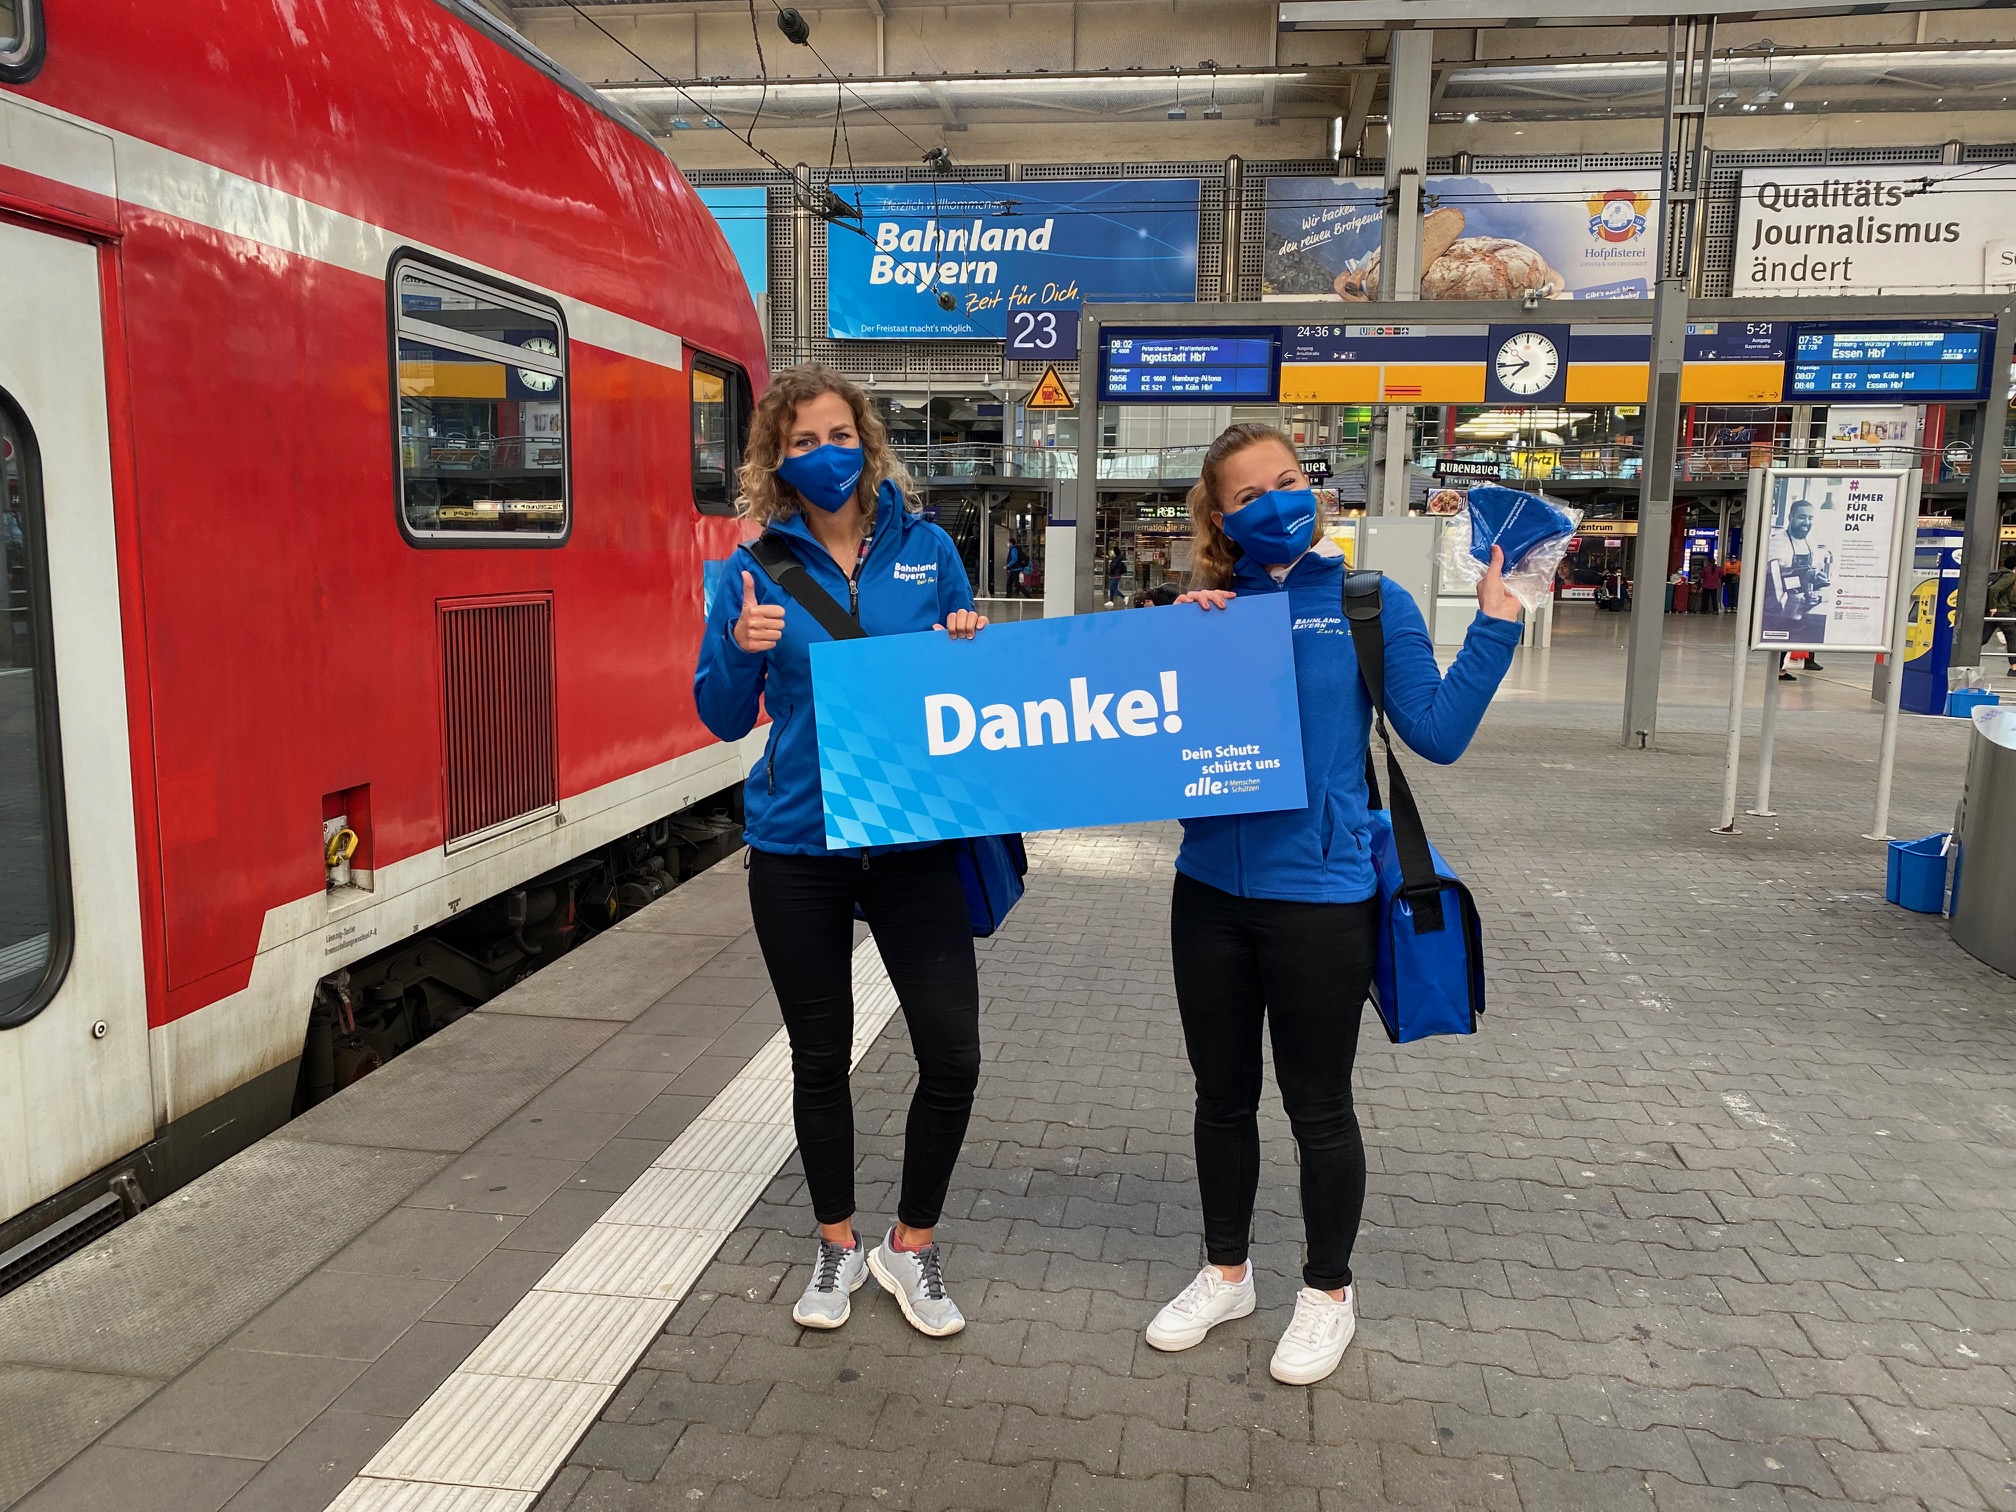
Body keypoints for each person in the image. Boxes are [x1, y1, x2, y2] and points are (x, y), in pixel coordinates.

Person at [1143, 422, 1522, 1386]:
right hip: (1208, 897)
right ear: (1220, 518)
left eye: (1288, 479)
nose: (1275, 499)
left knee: (1318, 1107)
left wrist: (1495, 626)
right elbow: (1148, 751)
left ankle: (1327, 1292)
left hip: (1321, 899)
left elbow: (1433, 733)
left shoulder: (1365, 602)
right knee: (1220, 1099)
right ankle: (1227, 1271)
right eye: (1247, 494)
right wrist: (1175, 647)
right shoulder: (1201, 613)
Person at [694, 363, 987, 1339]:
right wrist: (739, 646)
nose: (824, 454)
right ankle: (836, 1244)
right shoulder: (747, 569)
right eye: (801, 442)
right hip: (797, 846)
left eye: (837, 435)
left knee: (952, 1051)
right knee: (818, 1059)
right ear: (778, 461)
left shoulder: (930, 549)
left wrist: (967, 640)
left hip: (909, 840)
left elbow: (967, 692)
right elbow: (721, 715)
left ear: (867, 442)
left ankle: (911, 1246)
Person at [1986, 561, 2016, 675]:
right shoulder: (2010, 576)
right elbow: (1994, 589)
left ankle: (1963, 659)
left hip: (1994, 613)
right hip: (2003, 612)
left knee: (1982, 638)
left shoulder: (2000, 573)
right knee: (2013, 638)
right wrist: (1993, 607)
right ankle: (2014, 668)